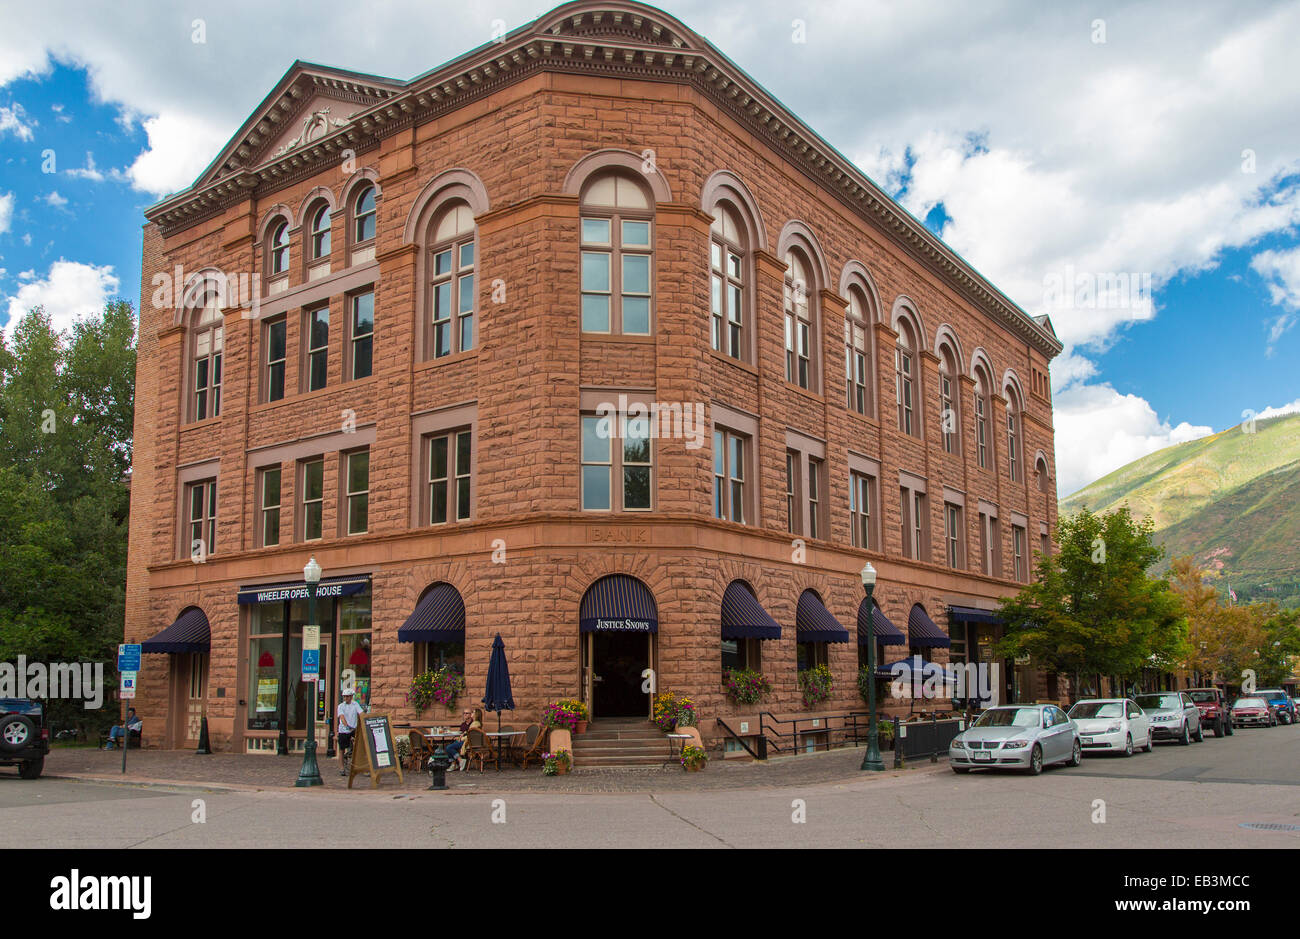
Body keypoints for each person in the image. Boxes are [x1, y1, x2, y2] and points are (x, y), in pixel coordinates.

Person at [336, 687, 363, 776]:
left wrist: (366, 720)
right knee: (341, 749)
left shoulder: (355, 704)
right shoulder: (341, 706)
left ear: (351, 697)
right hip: (344, 730)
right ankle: (341, 768)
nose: (346, 698)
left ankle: (360, 765)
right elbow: (342, 717)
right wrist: (346, 725)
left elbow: (361, 714)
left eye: (347, 696)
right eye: (344, 697)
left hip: (353, 729)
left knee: (360, 745)